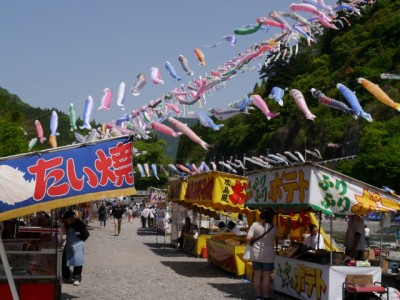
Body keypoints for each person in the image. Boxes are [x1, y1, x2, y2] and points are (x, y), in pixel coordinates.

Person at [246, 208, 277, 300]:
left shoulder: (255, 225)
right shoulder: (274, 227)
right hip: (269, 255)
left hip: (256, 253)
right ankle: (266, 296)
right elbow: (275, 239)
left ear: (261, 216)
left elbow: (248, 238)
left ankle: (258, 296)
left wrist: (250, 242)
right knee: (266, 276)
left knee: (257, 275)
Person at [62, 210, 90, 286]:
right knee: (64, 261)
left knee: (78, 262)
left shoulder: (80, 224)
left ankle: (77, 278)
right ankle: (66, 276)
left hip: (78, 244)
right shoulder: (67, 224)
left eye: (66, 219)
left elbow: (86, 235)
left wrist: (80, 241)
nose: (65, 221)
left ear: (71, 218)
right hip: (69, 244)